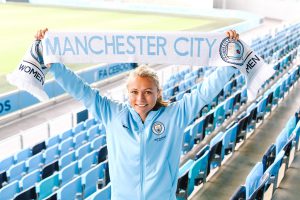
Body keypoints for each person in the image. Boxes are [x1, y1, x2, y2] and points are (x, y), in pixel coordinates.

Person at [35, 28, 239, 200]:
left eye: (148, 92)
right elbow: (82, 90)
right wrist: (54, 64)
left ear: (158, 93)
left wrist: (229, 61)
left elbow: (205, 92)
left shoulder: (176, 114)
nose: (141, 98)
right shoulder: (112, 113)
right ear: (128, 93)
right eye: (134, 92)